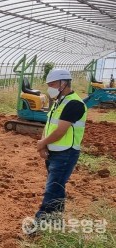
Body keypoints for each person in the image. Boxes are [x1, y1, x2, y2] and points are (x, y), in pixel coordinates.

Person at [35, 69, 87, 220]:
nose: (49, 88)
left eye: (52, 84)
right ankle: (56, 220)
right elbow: (49, 124)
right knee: (57, 188)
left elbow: (60, 131)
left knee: (51, 190)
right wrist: (44, 145)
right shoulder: (59, 102)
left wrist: (42, 143)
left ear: (63, 83)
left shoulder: (74, 103)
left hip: (66, 154)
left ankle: (40, 224)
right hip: (54, 152)